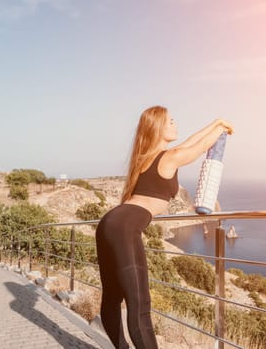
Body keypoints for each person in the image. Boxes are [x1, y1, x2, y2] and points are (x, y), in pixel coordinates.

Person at [95, 105, 234, 349]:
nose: (175, 124)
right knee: (140, 308)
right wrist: (220, 130)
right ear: (158, 127)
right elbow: (198, 148)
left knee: (112, 299)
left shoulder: (146, 158)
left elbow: (189, 143)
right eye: (171, 121)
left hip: (110, 222)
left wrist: (216, 123)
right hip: (125, 226)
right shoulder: (169, 157)